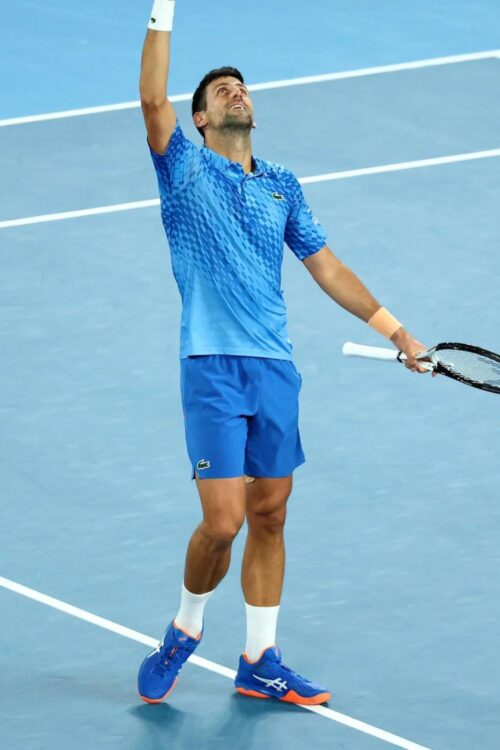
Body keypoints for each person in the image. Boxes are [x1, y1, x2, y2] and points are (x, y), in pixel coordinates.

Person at [137, 0, 430, 706]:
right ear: (200, 119)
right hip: (211, 365)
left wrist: (397, 331)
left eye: (242, 85)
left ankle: (260, 659)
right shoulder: (183, 169)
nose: (236, 90)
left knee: (270, 513)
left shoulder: (282, 185)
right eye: (219, 90)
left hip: (274, 368)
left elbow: (326, 267)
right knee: (223, 521)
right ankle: (186, 626)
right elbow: (152, 96)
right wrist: (163, 8)